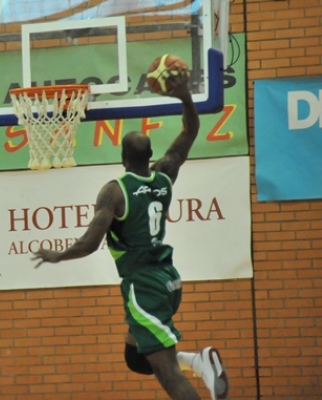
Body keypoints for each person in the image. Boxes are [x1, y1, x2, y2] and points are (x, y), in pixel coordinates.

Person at [31, 70, 229, 400]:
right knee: (136, 359)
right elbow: (190, 130)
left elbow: (90, 243)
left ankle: (197, 363)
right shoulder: (165, 174)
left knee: (170, 377)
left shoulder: (115, 192)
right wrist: (184, 97)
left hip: (144, 286)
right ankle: (198, 360)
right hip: (169, 280)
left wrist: (57, 255)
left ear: (123, 158)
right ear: (148, 156)